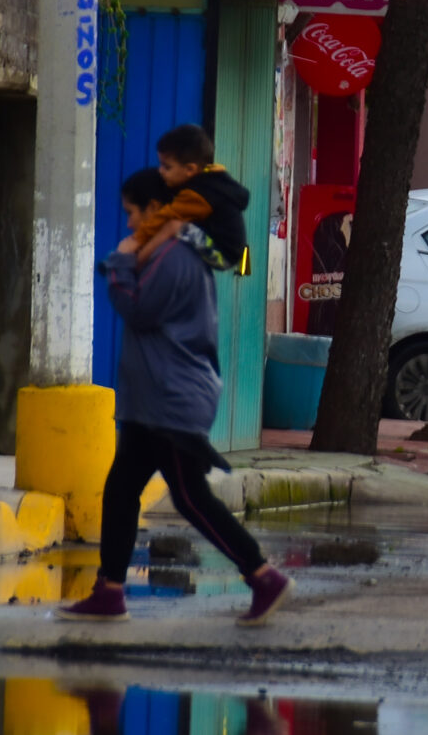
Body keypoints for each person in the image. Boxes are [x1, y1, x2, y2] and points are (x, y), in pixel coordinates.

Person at [60, 167, 291, 626]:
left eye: (132, 214)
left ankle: (262, 575)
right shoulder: (168, 252)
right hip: (154, 399)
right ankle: (109, 592)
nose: (129, 225)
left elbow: (139, 310)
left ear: (154, 210)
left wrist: (122, 262)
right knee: (122, 490)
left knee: (189, 495)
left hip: (172, 397)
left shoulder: (174, 256)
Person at [140, 123, 252, 273]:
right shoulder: (210, 179)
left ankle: (138, 262)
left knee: (173, 226)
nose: (161, 171)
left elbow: (165, 216)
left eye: (167, 167)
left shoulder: (199, 193)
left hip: (224, 254)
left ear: (190, 169)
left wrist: (135, 241)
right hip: (219, 244)